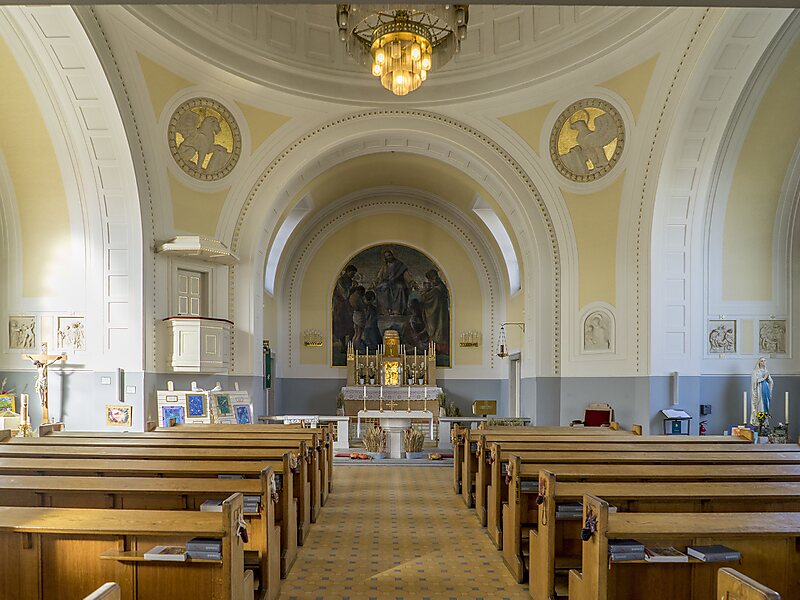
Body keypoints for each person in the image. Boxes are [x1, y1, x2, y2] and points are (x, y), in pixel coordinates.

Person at [373, 249, 413, 316]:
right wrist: (375, 282)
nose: (389, 257)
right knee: (381, 287)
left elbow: (406, 274)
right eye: (386, 256)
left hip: (398, 282)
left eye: (389, 255)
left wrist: (411, 281)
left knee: (400, 287)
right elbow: (379, 276)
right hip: (387, 282)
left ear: (392, 255)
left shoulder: (400, 265)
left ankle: (397, 310)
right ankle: (385, 310)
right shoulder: (385, 266)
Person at [420, 269, 449, 348]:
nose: (430, 281)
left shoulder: (436, 290)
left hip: (436, 314)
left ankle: (438, 347)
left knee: (437, 329)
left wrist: (424, 292)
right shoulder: (439, 287)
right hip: (439, 312)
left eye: (430, 279)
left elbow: (425, 298)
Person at [332, 265, 357, 352]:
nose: (353, 275)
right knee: (341, 326)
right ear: (348, 271)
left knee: (350, 326)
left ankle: (349, 344)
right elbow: (344, 294)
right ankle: (343, 346)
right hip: (340, 306)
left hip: (348, 306)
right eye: (352, 273)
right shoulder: (341, 281)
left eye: (354, 274)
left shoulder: (350, 280)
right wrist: (352, 289)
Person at [750, 357, 773, 425]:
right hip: (759, 391)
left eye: (764, 361)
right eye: (762, 361)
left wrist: (767, 378)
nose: (763, 362)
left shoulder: (766, 371)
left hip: (766, 390)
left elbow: (771, 382)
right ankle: (759, 422)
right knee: (760, 405)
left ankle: (765, 422)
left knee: (765, 405)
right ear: (759, 362)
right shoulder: (755, 371)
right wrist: (764, 378)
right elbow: (754, 382)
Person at [350, 285, 367, 351]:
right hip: (360, 315)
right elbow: (361, 306)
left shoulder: (352, 296)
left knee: (356, 333)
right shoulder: (358, 297)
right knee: (359, 334)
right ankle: (356, 348)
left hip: (355, 315)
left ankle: (353, 347)